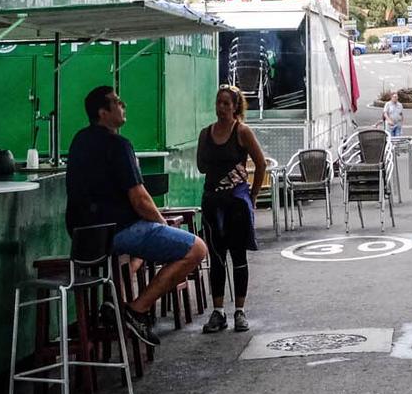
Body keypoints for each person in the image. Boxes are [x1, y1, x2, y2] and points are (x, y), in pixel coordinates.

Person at [66, 85, 207, 348]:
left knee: (136, 249)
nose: (123, 105)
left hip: (84, 238)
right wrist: (163, 224)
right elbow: (140, 199)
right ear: (103, 112)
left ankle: (115, 301)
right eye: (117, 102)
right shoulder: (119, 145)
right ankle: (137, 309)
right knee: (196, 249)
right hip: (116, 232)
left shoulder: (79, 141)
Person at [198, 85, 268, 334]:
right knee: (216, 257)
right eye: (219, 102)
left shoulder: (242, 132)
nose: (222, 108)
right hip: (212, 202)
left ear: (236, 107)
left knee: (238, 257)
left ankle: (240, 310)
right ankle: (218, 311)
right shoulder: (206, 134)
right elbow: (201, 167)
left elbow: (260, 164)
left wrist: (252, 195)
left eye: (227, 104)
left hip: (236, 203)